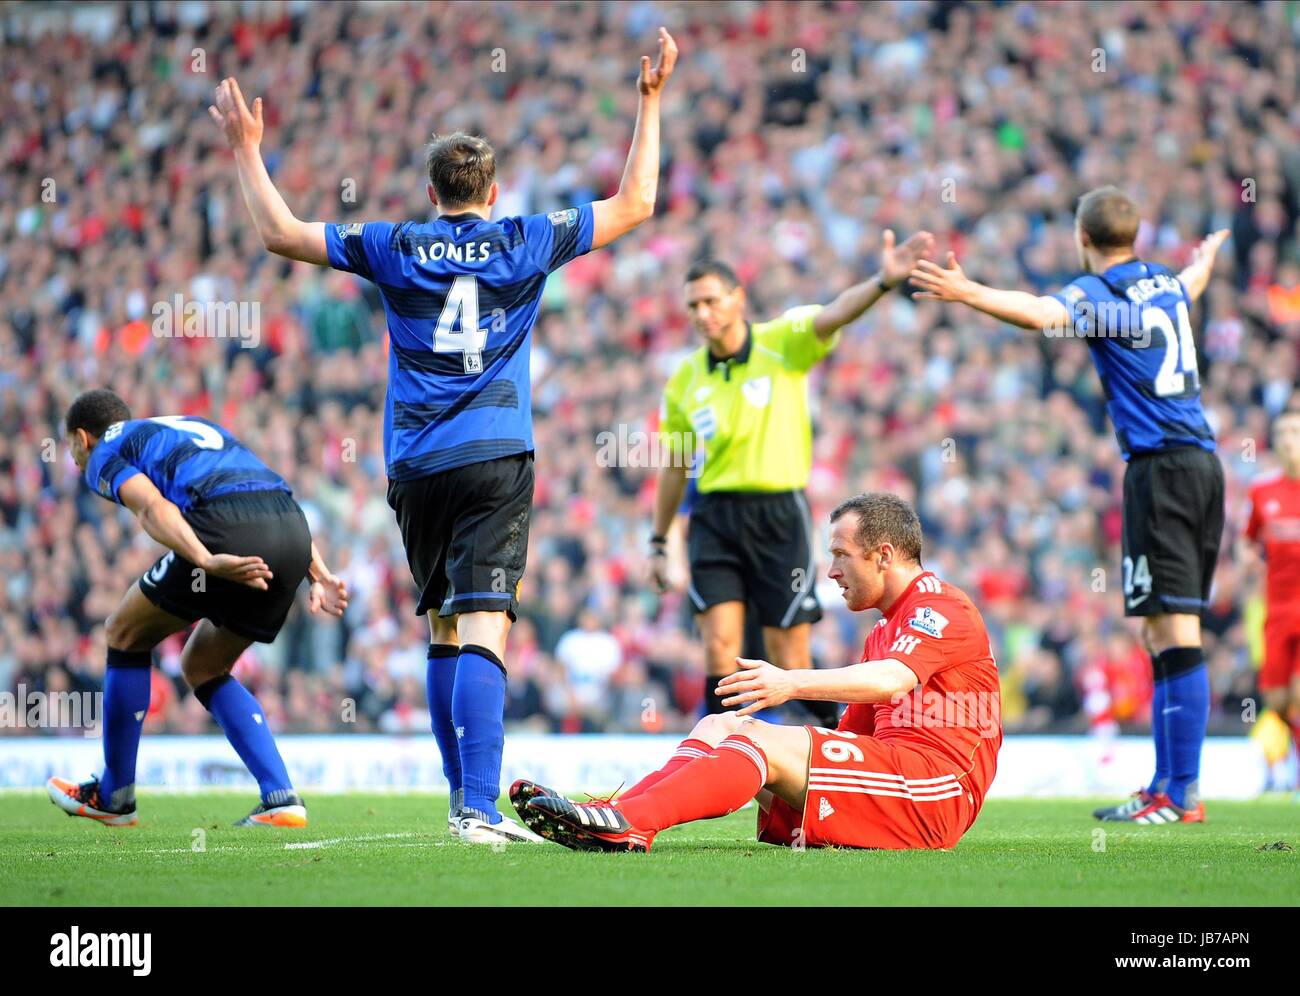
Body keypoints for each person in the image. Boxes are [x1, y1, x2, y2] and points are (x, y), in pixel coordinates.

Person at [208, 29, 677, 843]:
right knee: (487, 620)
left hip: (417, 462)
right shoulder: (524, 237)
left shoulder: (394, 244)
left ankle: (464, 800)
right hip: (495, 453)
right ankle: (477, 809)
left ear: (432, 192)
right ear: (492, 191)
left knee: (442, 626)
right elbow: (637, 203)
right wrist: (649, 100)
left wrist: (249, 150)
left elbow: (281, 233)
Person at [909, 186, 1228, 824]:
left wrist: (969, 292)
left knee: (1175, 628)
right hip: (1199, 464)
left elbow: (1038, 313)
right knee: (1158, 627)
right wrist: (1209, 257)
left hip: (1162, 469)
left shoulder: (1102, 294)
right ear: (1133, 237)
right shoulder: (1163, 283)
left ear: (1083, 240)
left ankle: (1180, 793)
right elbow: (1192, 283)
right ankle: (1166, 785)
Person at [513, 493, 1001, 852]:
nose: (830, 571)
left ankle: (629, 822)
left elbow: (892, 680)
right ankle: (612, 814)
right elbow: (853, 734)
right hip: (896, 774)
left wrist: (790, 682)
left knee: (762, 742)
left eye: (840, 555)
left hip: (936, 790)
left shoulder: (940, 607)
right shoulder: (885, 631)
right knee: (721, 725)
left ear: (885, 555)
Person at [649, 232, 933, 727]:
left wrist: (883, 282)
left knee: (789, 656)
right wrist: (658, 539)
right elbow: (673, 467)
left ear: (738, 299)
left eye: (711, 301)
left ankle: (840, 745)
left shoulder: (782, 343)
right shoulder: (684, 381)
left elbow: (834, 313)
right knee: (720, 645)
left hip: (779, 514)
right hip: (715, 517)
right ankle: (721, 759)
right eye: (693, 305)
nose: (702, 313)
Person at [47, 389, 348, 828]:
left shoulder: (103, 450)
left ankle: (114, 796)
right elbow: (267, 492)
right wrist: (317, 571)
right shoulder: (194, 427)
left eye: (72, 449)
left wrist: (205, 559)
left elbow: (152, 507)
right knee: (203, 665)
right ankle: (280, 796)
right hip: (293, 532)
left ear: (81, 437)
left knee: (123, 635)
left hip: (225, 533)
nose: (74, 461)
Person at [1243, 405, 1300, 788]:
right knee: (1276, 700)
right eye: (1281, 432)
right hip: (1276, 609)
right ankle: (1284, 764)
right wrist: (1251, 563)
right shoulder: (1262, 491)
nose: (1287, 439)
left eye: (1294, 431)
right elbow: (1247, 542)